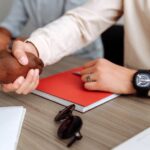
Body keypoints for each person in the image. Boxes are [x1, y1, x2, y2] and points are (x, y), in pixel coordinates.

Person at [2, 0, 150, 97]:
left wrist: (134, 79)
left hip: (135, 87)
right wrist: (34, 48)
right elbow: (82, 23)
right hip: (134, 98)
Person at [0, 0, 103, 58]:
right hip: (45, 52)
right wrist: (3, 35)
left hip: (81, 57)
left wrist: (31, 43)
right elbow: (12, 23)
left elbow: (73, 30)